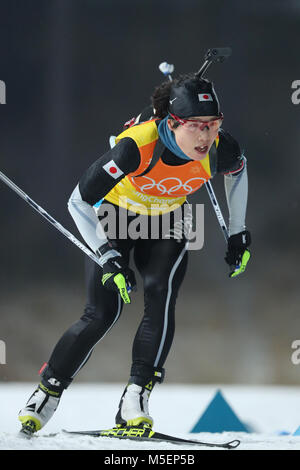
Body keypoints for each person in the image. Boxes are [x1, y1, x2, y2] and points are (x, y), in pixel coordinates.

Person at [18, 73, 251, 435]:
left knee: (161, 296)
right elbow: (78, 201)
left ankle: (135, 400)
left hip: (169, 219)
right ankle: (47, 393)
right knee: (102, 313)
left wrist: (238, 233)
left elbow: (238, 172)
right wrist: (108, 256)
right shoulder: (136, 147)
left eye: (213, 125)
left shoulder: (223, 148)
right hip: (116, 215)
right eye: (196, 126)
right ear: (172, 123)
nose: (206, 136)